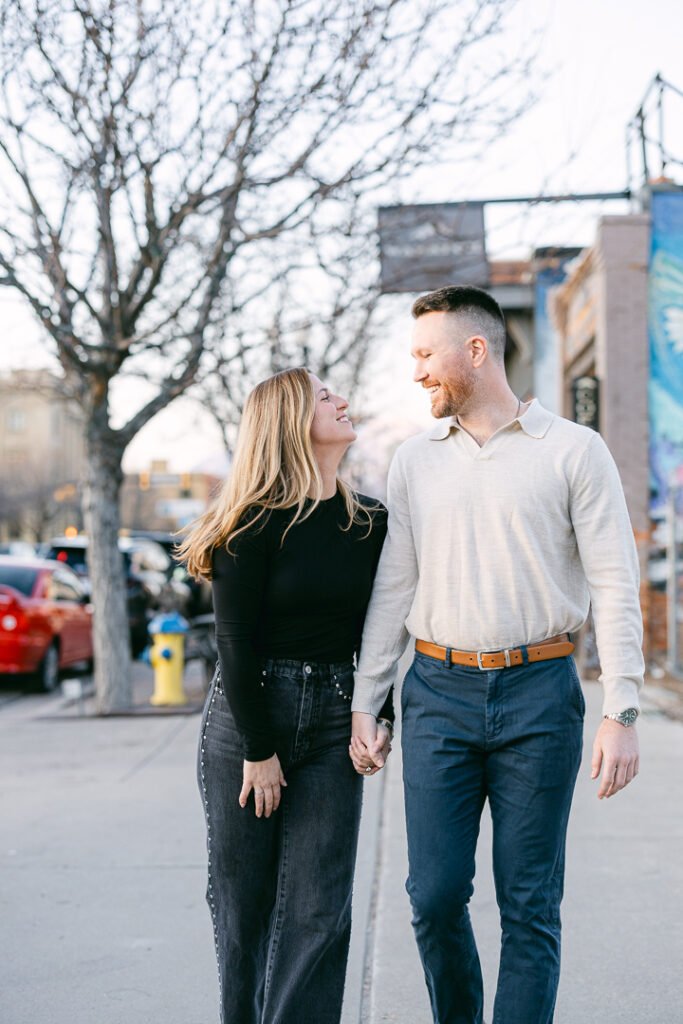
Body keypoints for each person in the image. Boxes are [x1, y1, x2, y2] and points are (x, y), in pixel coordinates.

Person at [350, 286, 643, 1024]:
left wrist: (622, 709)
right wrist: (368, 698)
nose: (415, 372)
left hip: (539, 693)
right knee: (434, 895)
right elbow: (395, 584)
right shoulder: (413, 460)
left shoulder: (575, 450)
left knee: (529, 903)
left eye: (424, 355)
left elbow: (613, 583)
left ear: (474, 351)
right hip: (438, 692)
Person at [178, 367, 393, 1024]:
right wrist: (259, 750)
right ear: (292, 422)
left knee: (319, 910)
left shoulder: (370, 521)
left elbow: (382, 630)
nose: (343, 401)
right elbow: (234, 641)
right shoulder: (249, 521)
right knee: (244, 905)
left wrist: (375, 714)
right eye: (326, 397)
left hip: (333, 713)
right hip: (251, 716)